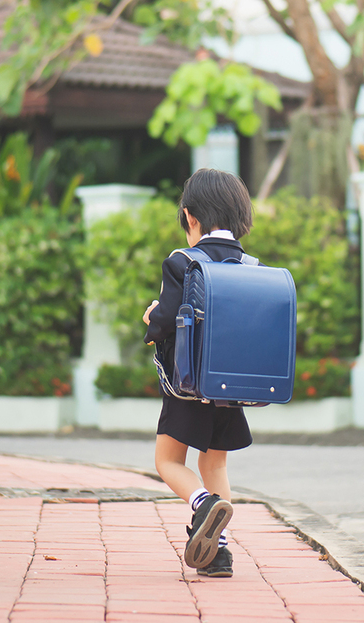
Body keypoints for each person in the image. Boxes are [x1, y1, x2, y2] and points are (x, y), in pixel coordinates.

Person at [142, 168, 255, 578]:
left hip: (188, 388)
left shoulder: (182, 262)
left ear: (190, 217)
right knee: (216, 467)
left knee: (168, 461)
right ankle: (219, 554)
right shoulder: (250, 265)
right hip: (231, 388)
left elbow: (170, 319)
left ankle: (202, 505)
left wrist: (152, 320)